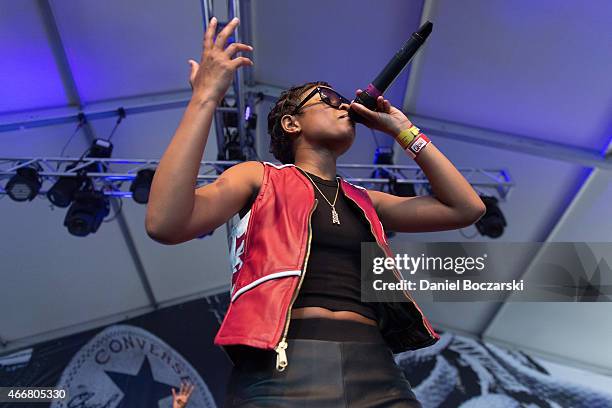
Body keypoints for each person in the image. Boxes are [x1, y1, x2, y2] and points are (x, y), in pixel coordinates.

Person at [146, 16, 486, 408]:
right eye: (327, 99)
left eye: (341, 101)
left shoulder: (364, 200)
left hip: (376, 368)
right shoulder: (259, 176)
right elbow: (165, 223)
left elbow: (466, 207)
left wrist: (404, 131)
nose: (342, 105)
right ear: (291, 124)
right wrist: (204, 97)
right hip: (282, 369)